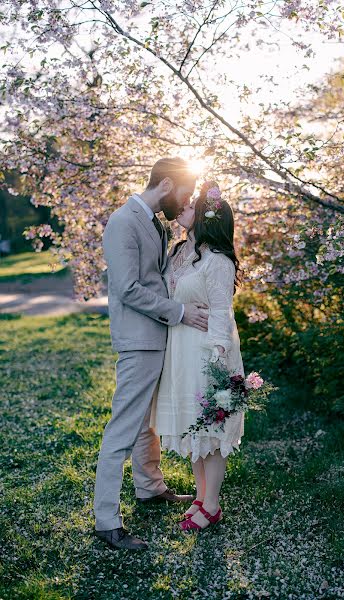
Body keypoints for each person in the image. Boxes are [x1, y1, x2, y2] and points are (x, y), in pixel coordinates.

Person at [94, 157, 209, 550]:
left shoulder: (154, 223)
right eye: (184, 193)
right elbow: (127, 288)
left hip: (159, 337)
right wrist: (179, 311)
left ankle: (150, 487)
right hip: (139, 339)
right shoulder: (123, 222)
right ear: (165, 185)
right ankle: (106, 520)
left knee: (147, 423)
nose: (185, 201)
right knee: (123, 427)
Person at [150, 179, 244, 531]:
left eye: (190, 206)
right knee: (195, 427)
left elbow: (222, 310)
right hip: (180, 349)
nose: (183, 208)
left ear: (206, 217)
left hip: (208, 352)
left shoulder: (217, 260)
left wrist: (219, 359)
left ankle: (212, 504)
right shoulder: (178, 252)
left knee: (212, 429)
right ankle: (201, 497)